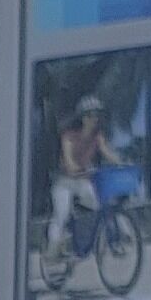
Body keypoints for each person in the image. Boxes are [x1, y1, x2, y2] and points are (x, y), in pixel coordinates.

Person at [49, 94, 115, 259]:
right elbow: (68, 159)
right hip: (64, 182)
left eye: (97, 115)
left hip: (83, 181)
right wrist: (73, 166)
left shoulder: (97, 137)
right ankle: (52, 248)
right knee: (62, 213)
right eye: (91, 115)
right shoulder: (69, 136)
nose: (95, 119)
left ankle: (84, 241)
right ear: (83, 118)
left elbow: (107, 153)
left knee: (97, 205)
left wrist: (121, 163)